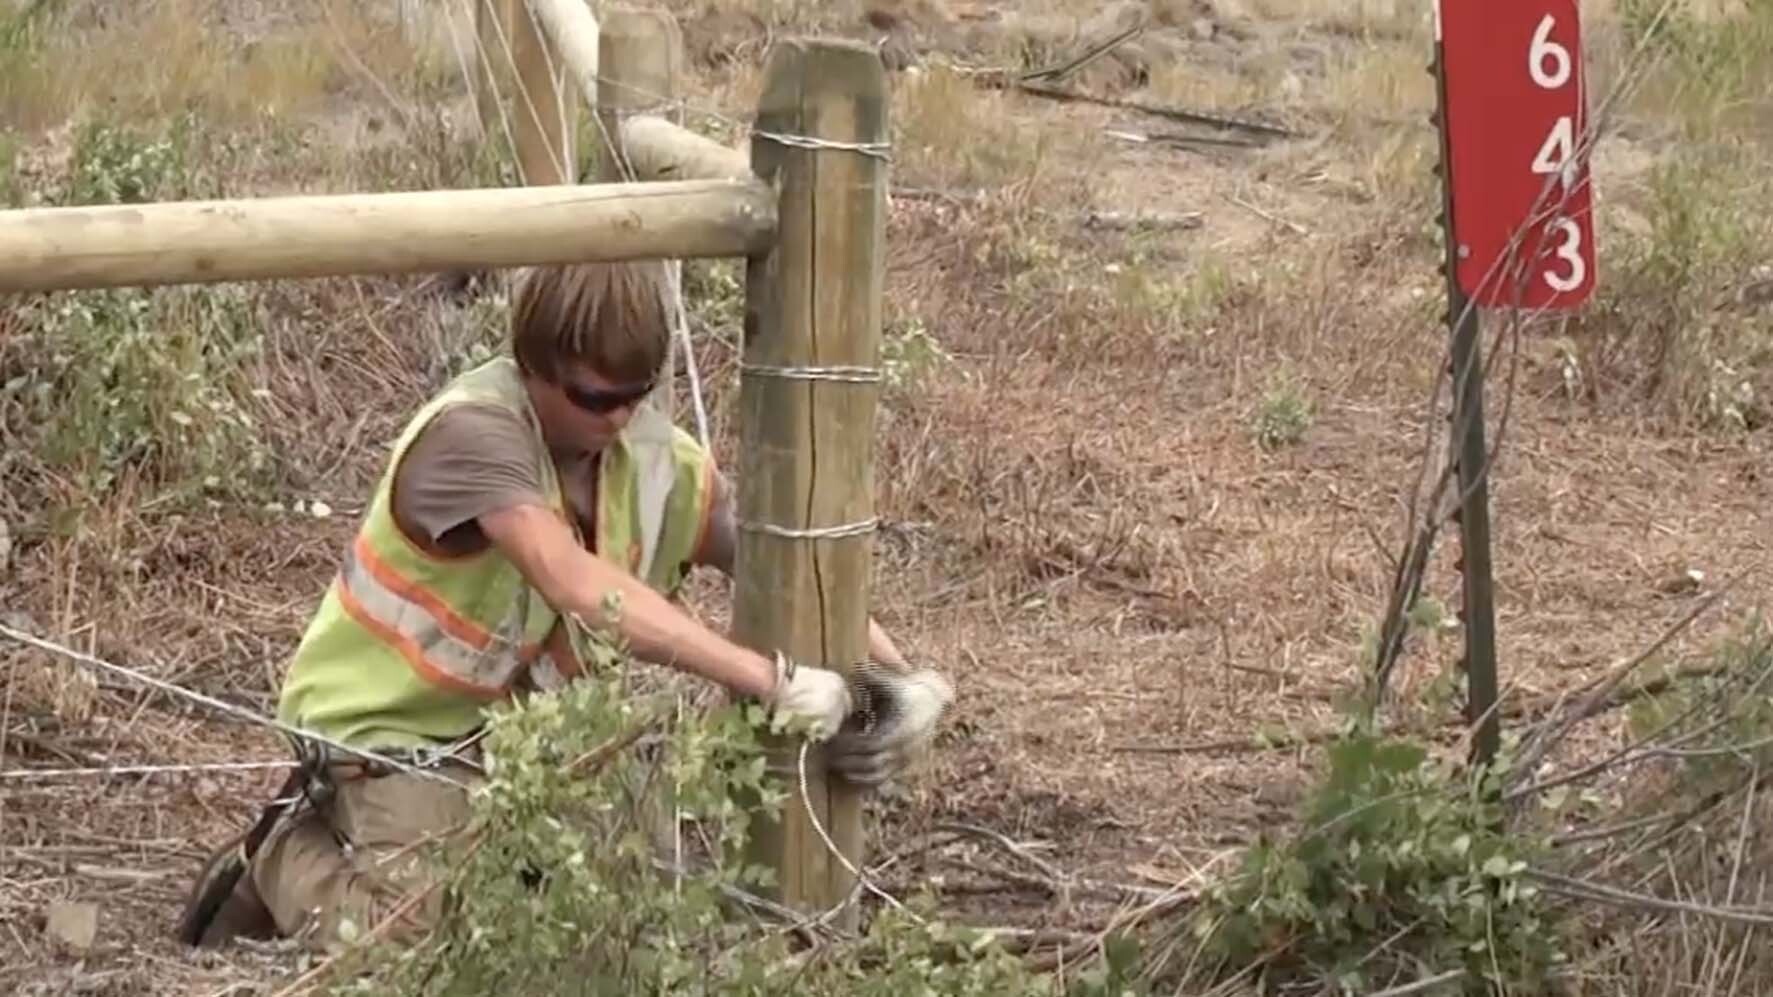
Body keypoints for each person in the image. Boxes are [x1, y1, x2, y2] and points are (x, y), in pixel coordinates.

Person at [177, 260, 949, 951]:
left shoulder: (661, 462)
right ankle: (279, 856)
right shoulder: (472, 435)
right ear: (533, 365)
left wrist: (901, 679)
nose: (618, 417)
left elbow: (786, 568)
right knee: (420, 945)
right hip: (388, 728)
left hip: (532, 738)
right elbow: (572, 583)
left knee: (623, 905)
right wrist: (770, 680)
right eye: (593, 396)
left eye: (635, 395)